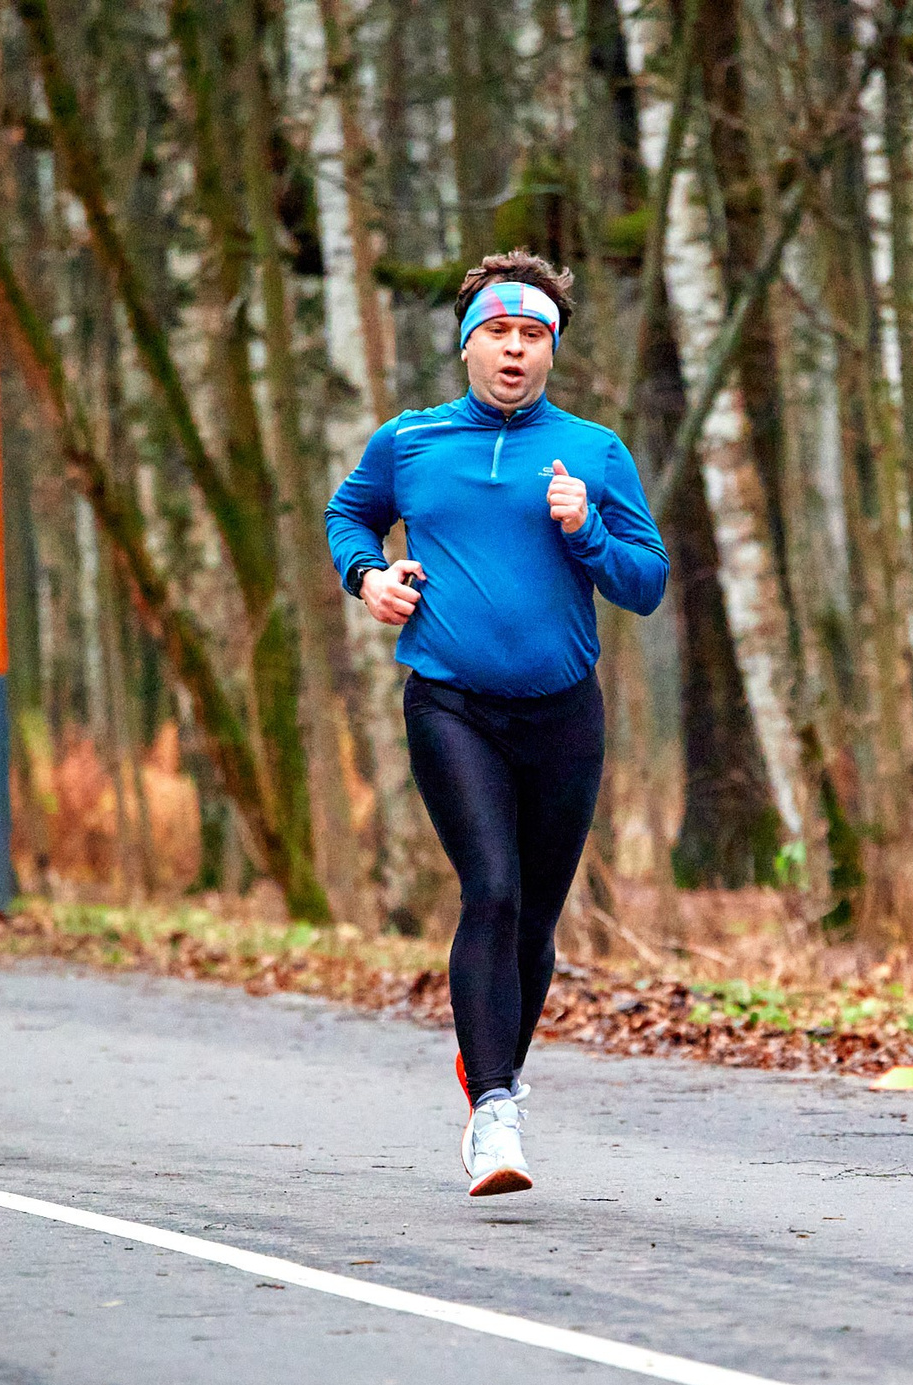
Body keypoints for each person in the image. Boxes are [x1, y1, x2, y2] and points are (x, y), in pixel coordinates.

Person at [324, 250, 668, 1197]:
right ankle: (496, 1111)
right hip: (451, 704)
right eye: (498, 332)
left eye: (532, 335)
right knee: (494, 888)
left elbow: (646, 583)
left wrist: (587, 529)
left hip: (564, 716)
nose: (514, 349)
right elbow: (349, 516)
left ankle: (491, 1074)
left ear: (552, 350)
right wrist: (370, 577)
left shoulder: (595, 452)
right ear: (467, 345)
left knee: (536, 921)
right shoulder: (410, 442)